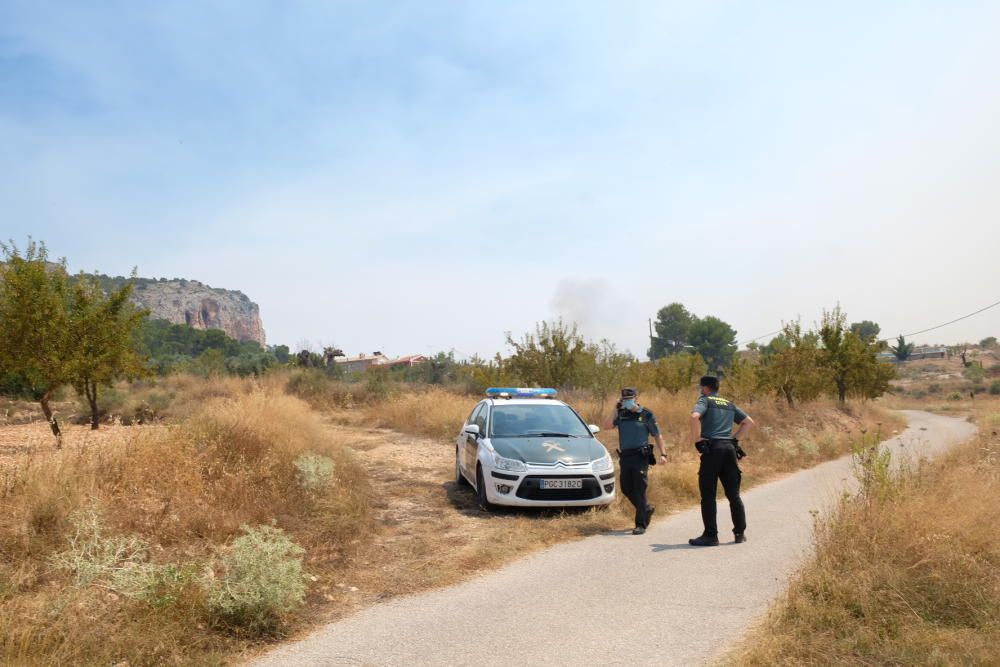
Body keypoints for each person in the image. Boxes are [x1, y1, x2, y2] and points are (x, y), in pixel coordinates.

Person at [688, 375, 754, 546]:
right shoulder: (729, 404)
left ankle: (711, 535)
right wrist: (734, 440)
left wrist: (697, 441)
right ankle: (739, 533)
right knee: (734, 495)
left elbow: (694, 417)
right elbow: (748, 422)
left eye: (701, 387)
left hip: (712, 450)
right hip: (729, 451)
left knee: (708, 495)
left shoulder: (705, 401)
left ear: (705, 388)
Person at [603, 387, 668, 535]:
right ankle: (646, 509)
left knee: (639, 488)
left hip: (640, 456)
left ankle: (641, 524)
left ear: (637, 398)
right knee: (626, 487)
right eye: (625, 399)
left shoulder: (646, 414)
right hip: (625, 456)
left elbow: (658, 435)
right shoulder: (621, 414)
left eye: (630, 398)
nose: (628, 401)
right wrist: (615, 408)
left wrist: (664, 454)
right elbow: (607, 426)